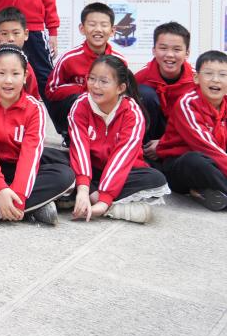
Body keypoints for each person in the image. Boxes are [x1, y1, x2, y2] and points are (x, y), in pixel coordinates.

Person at [0, 46, 75, 226]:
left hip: (18, 167)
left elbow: (30, 154)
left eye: (15, 74)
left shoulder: (34, 108)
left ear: (25, 76)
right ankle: (35, 208)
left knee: (65, 175)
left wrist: (19, 194)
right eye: (1, 73)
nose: (8, 80)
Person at [67, 55, 169, 223]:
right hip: (90, 168)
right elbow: (79, 148)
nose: (95, 86)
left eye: (104, 81)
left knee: (155, 178)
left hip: (121, 171)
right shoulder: (81, 105)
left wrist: (103, 201)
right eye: (91, 78)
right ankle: (104, 203)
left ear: (120, 88)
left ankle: (89, 202)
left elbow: (122, 158)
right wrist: (84, 190)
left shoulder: (132, 113)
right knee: (55, 161)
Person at [156, 50, 227, 211]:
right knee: (195, 160)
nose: (215, 79)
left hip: (218, 161)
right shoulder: (187, 104)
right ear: (196, 78)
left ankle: (207, 193)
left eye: (223, 75)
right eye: (208, 73)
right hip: (180, 166)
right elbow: (206, 147)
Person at [45, 2, 123, 137]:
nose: (98, 29)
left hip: (106, 113)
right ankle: (71, 136)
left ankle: (109, 137)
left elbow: (124, 92)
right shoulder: (69, 58)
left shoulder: (119, 61)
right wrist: (84, 89)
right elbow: (51, 90)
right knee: (81, 99)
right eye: (92, 24)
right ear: (82, 28)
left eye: (104, 25)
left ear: (112, 31)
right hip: (75, 112)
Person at [135, 21, 194, 149]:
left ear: (187, 53)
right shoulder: (141, 77)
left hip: (181, 138)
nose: (169, 55)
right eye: (163, 48)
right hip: (150, 136)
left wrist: (164, 143)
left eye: (177, 49)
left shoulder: (196, 82)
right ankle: (142, 152)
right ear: (154, 50)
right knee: (144, 94)